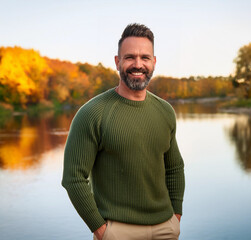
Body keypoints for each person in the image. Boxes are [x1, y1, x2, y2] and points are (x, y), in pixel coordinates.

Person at [62, 23, 185, 240]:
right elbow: (73, 178)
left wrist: (175, 215)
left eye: (145, 58)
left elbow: (174, 167)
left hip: (165, 228)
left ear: (154, 62)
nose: (138, 64)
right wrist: (101, 229)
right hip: (118, 232)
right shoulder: (92, 113)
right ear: (117, 62)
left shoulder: (165, 111)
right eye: (130, 57)